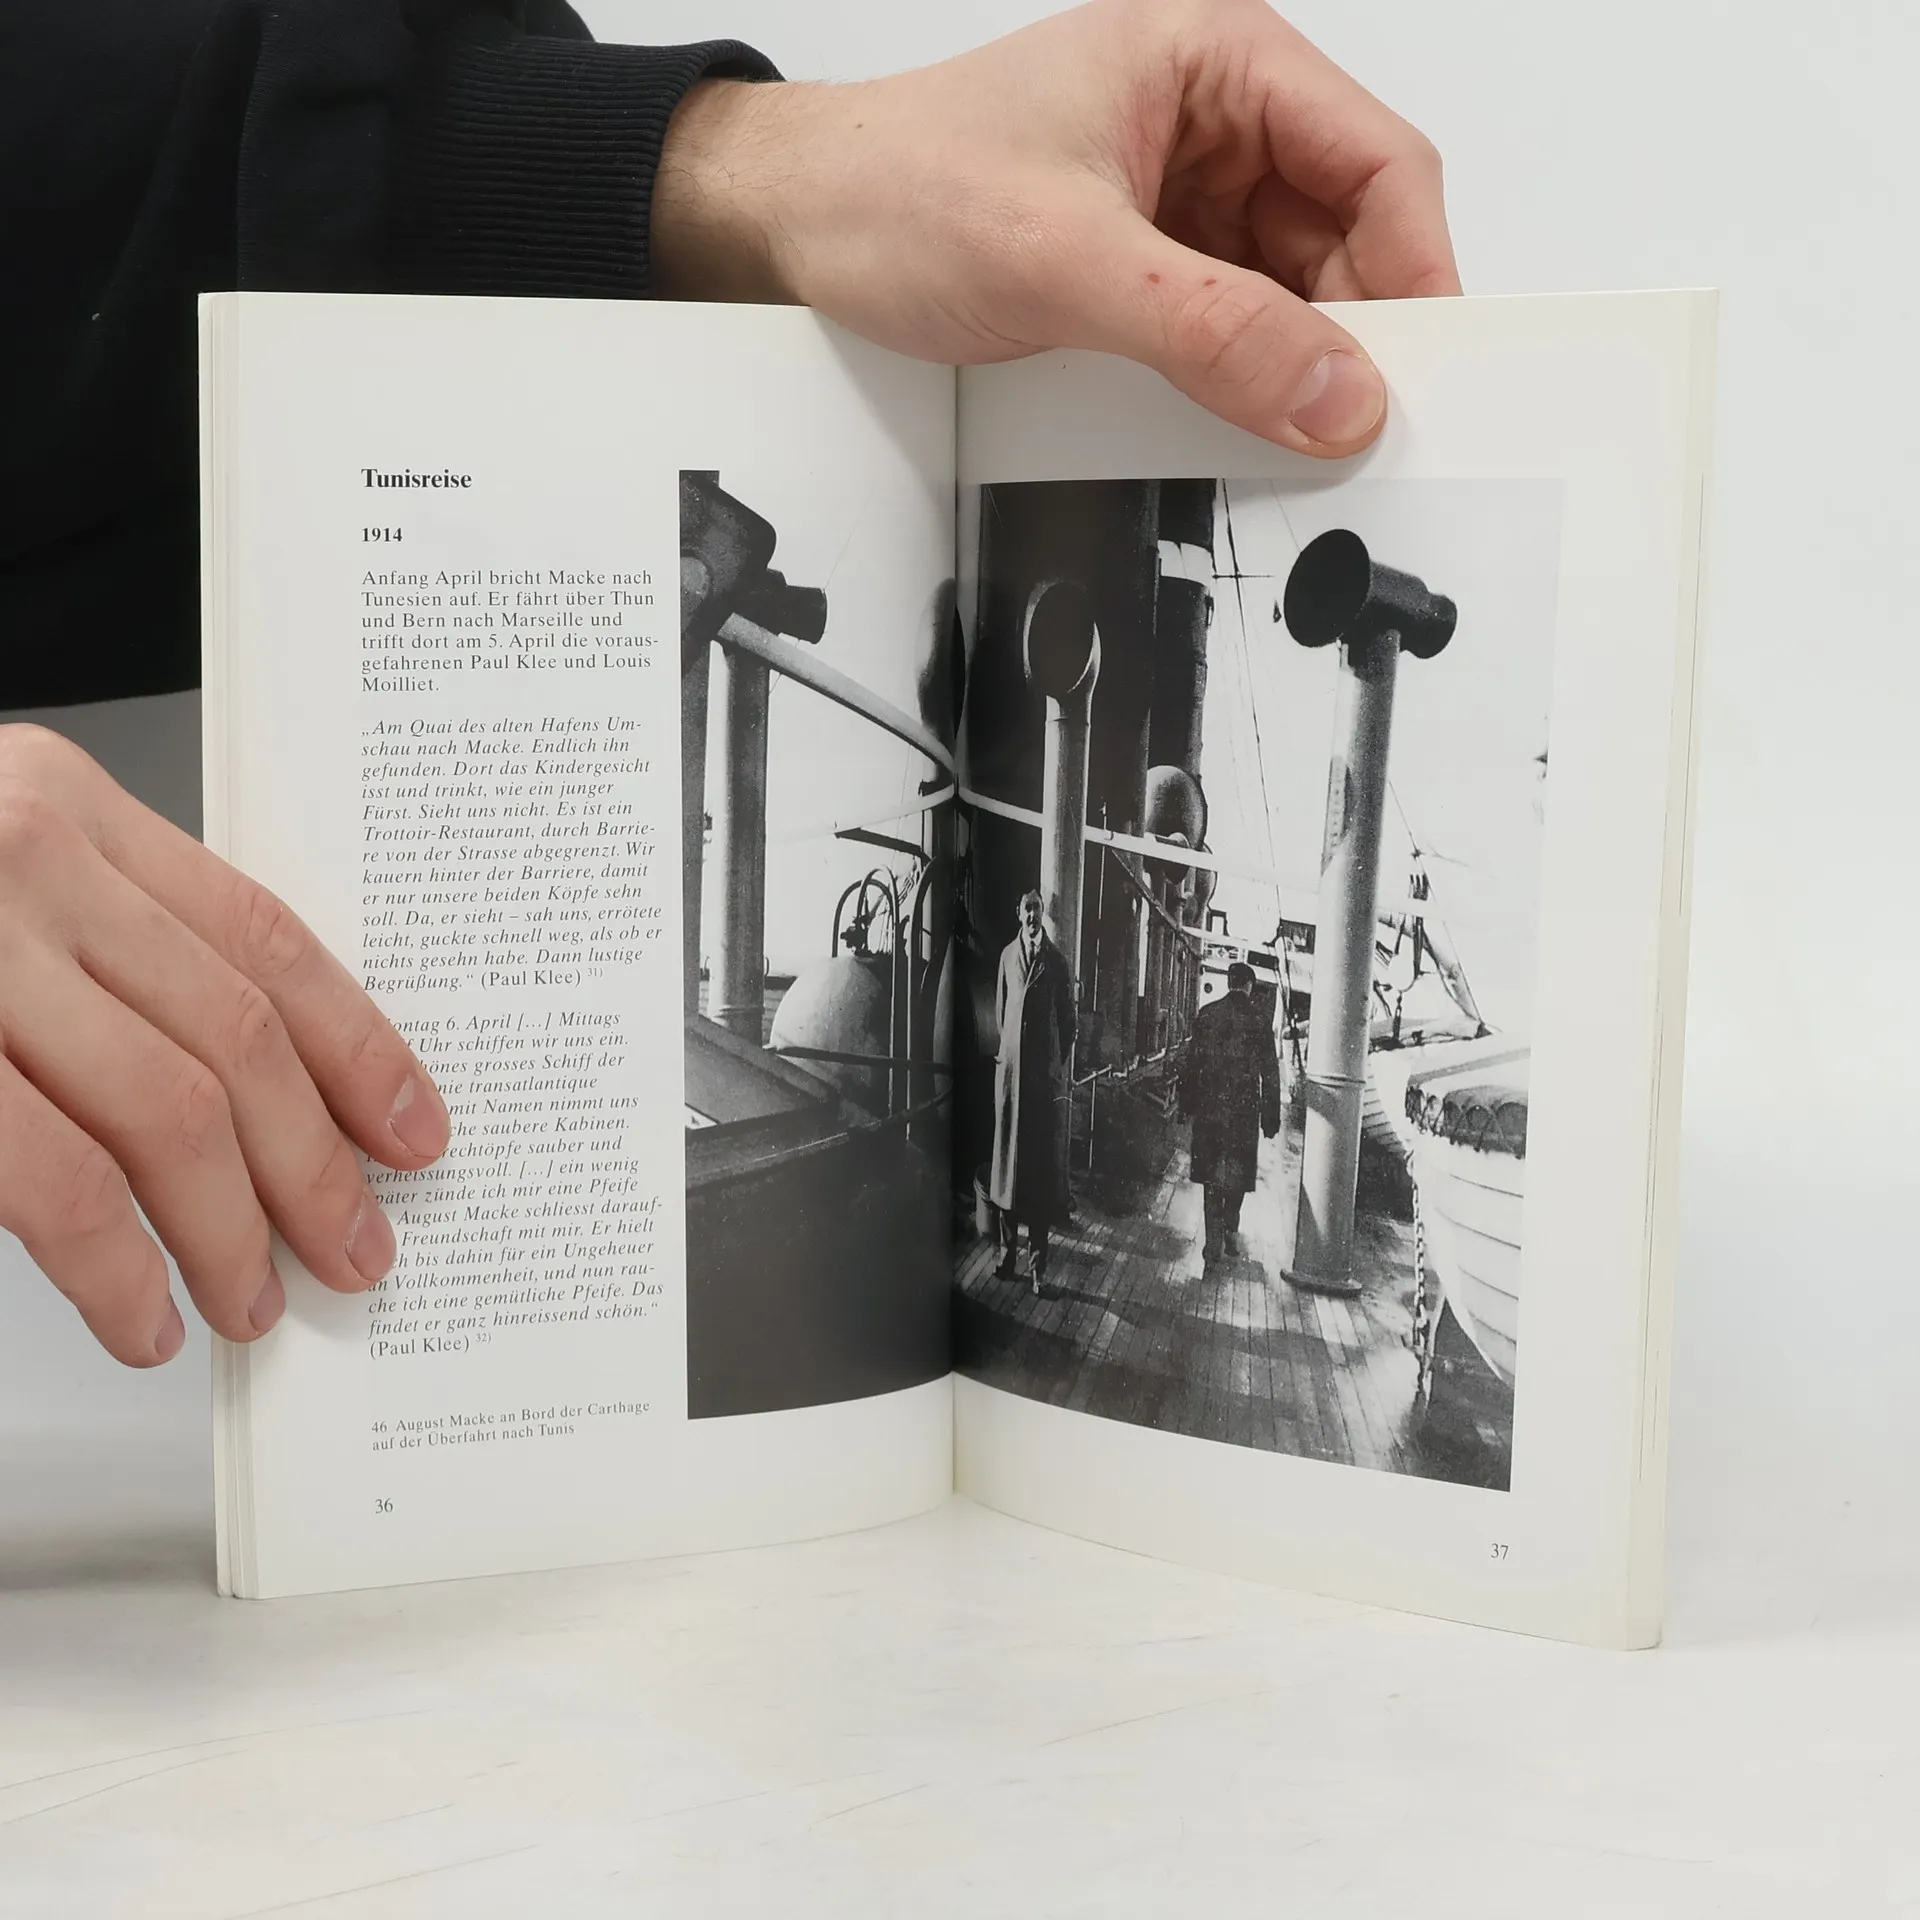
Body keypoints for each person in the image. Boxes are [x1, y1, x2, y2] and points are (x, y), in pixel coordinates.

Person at [1, 0, 1458, 1366]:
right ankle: (1054, 1235)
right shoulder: (1044, 963)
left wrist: (741, 166)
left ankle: (1141, 1242)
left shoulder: (1064, 971)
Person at [988, 891, 1075, 1292]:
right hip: (1011, 1081)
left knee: (1038, 1175)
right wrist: (1012, 1056)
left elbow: (1068, 1024)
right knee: (1007, 1170)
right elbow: (1001, 1012)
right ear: (1018, 913)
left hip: (1039, 1086)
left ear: (1043, 914)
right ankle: (1007, 1257)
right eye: (1026, 909)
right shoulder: (1007, 956)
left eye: (1037, 908)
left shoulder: (1056, 962)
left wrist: (1049, 1063)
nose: (1031, 915)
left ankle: (1038, 1268)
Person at [1181, 961, 1282, 1264]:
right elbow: (1271, 1075)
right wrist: (1271, 1119)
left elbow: (1191, 1065)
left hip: (1211, 1109)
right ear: (1249, 986)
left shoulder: (1207, 1014)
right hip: (1243, 1114)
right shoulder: (1260, 1021)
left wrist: (1186, 1106)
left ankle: (1212, 1242)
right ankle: (1231, 1231)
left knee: (1212, 1176)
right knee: (1237, 1175)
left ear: (1229, 983)